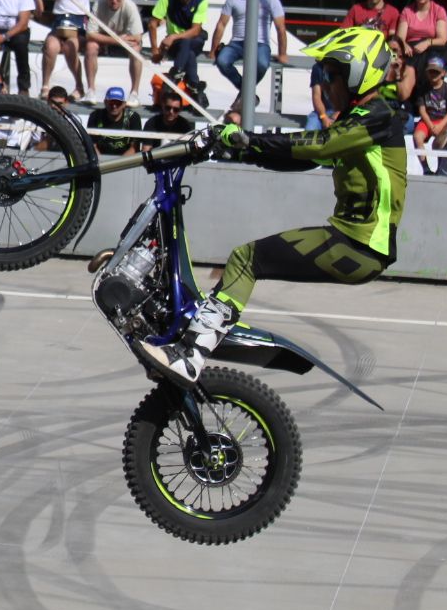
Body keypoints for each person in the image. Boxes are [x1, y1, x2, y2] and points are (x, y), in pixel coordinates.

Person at [154, 28, 407, 383]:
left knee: (246, 258)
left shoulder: (378, 117)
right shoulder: (358, 122)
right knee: (248, 257)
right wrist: (239, 149)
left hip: (360, 244)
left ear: (356, 75)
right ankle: (208, 329)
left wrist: (247, 138)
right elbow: (301, 160)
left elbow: (318, 146)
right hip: (353, 242)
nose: (326, 83)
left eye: (331, 75)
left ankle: (192, 354)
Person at [211, 0, 288, 92]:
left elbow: (281, 28)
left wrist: (282, 54)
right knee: (222, 61)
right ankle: (246, 92)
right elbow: (221, 24)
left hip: (260, 43)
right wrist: (213, 50)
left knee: (262, 65)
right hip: (237, 42)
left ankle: (244, 94)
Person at [41, 0, 95, 98]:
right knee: (50, 46)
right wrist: (38, 1)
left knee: (70, 46)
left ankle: (79, 86)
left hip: (77, 26)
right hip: (59, 24)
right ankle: (45, 85)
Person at [147, 0, 209, 93]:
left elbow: (196, 30)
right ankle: (194, 85)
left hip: (194, 40)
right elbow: (152, 24)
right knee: (189, 53)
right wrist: (154, 50)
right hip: (174, 45)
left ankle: (176, 72)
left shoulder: (201, 1)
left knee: (187, 41)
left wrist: (173, 37)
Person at [88, 0, 146, 99]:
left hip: (125, 41)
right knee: (90, 46)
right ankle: (90, 90)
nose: (114, 1)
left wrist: (122, 41)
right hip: (107, 40)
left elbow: (137, 36)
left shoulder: (130, 6)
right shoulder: (99, 4)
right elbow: (90, 34)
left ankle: (134, 93)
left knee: (136, 50)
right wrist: (118, 40)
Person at [409, 52, 447, 159]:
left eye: (436, 72)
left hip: (443, 121)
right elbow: (422, 110)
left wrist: (440, 126)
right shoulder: (423, 89)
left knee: (443, 142)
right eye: (431, 72)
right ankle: (425, 168)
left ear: (443, 73)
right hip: (427, 121)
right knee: (417, 137)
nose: (433, 74)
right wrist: (431, 126)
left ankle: (440, 167)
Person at [396, 0, 447, 64]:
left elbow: (442, 39)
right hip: (411, 50)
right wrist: (404, 45)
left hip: (431, 48)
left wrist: (427, 43)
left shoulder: (439, 10)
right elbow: (400, 37)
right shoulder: (407, 11)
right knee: (394, 56)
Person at [88, 85, 143, 156]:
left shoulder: (133, 117)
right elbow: (92, 146)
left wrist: (118, 164)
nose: (114, 106)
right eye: (111, 102)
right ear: (105, 102)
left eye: (118, 103)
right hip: (100, 160)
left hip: (126, 161)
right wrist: (102, 163)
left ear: (124, 104)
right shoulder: (95, 116)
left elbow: (134, 148)